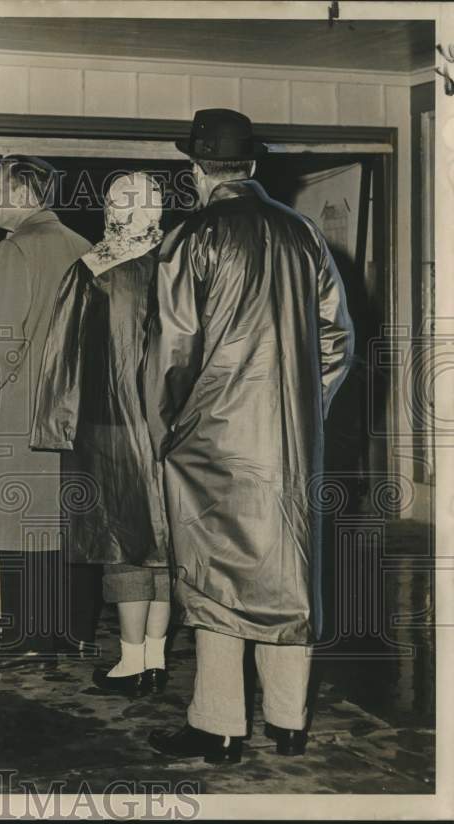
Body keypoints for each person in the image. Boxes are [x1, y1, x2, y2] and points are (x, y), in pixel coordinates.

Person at [142, 109, 354, 763]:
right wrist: (299, 412)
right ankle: (290, 723)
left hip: (213, 442)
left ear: (195, 169)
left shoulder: (190, 238)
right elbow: (337, 339)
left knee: (215, 579)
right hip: (288, 442)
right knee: (285, 573)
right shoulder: (301, 235)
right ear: (252, 165)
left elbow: (171, 353)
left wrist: (167, 430)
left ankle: (219, 726)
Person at [32, 173, 172, 696]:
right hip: (176, 428)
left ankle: (132, 661)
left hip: (108, 427)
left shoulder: (92, 269)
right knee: (168, 543)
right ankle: (156, 657)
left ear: (111, 209)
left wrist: (55, 425)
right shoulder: (181, 264)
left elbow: (62, 356)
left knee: (122, 542)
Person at [0, 155, 91, 671]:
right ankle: (54, 630)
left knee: (18, 521)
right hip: (70, 411)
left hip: (16, 409)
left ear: (24, 194)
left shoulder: (16, 249)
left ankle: (33, 638)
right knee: (53, 524)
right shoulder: (83, 247)